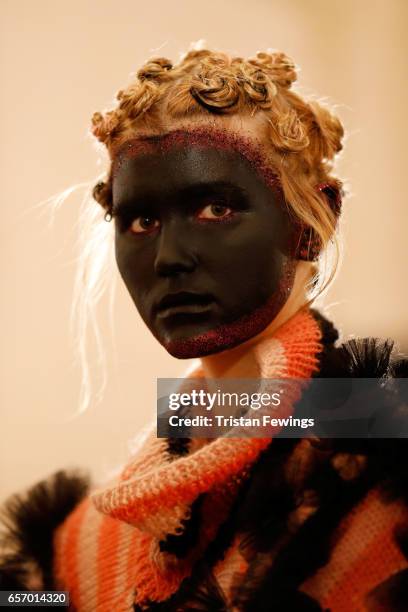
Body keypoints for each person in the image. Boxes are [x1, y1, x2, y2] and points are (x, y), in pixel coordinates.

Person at [1, 48, 408, 611]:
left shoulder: (388, 486)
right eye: (141, 221)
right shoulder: (77, 550)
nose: (169, 258)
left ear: (316, 219)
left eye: (216, 209)